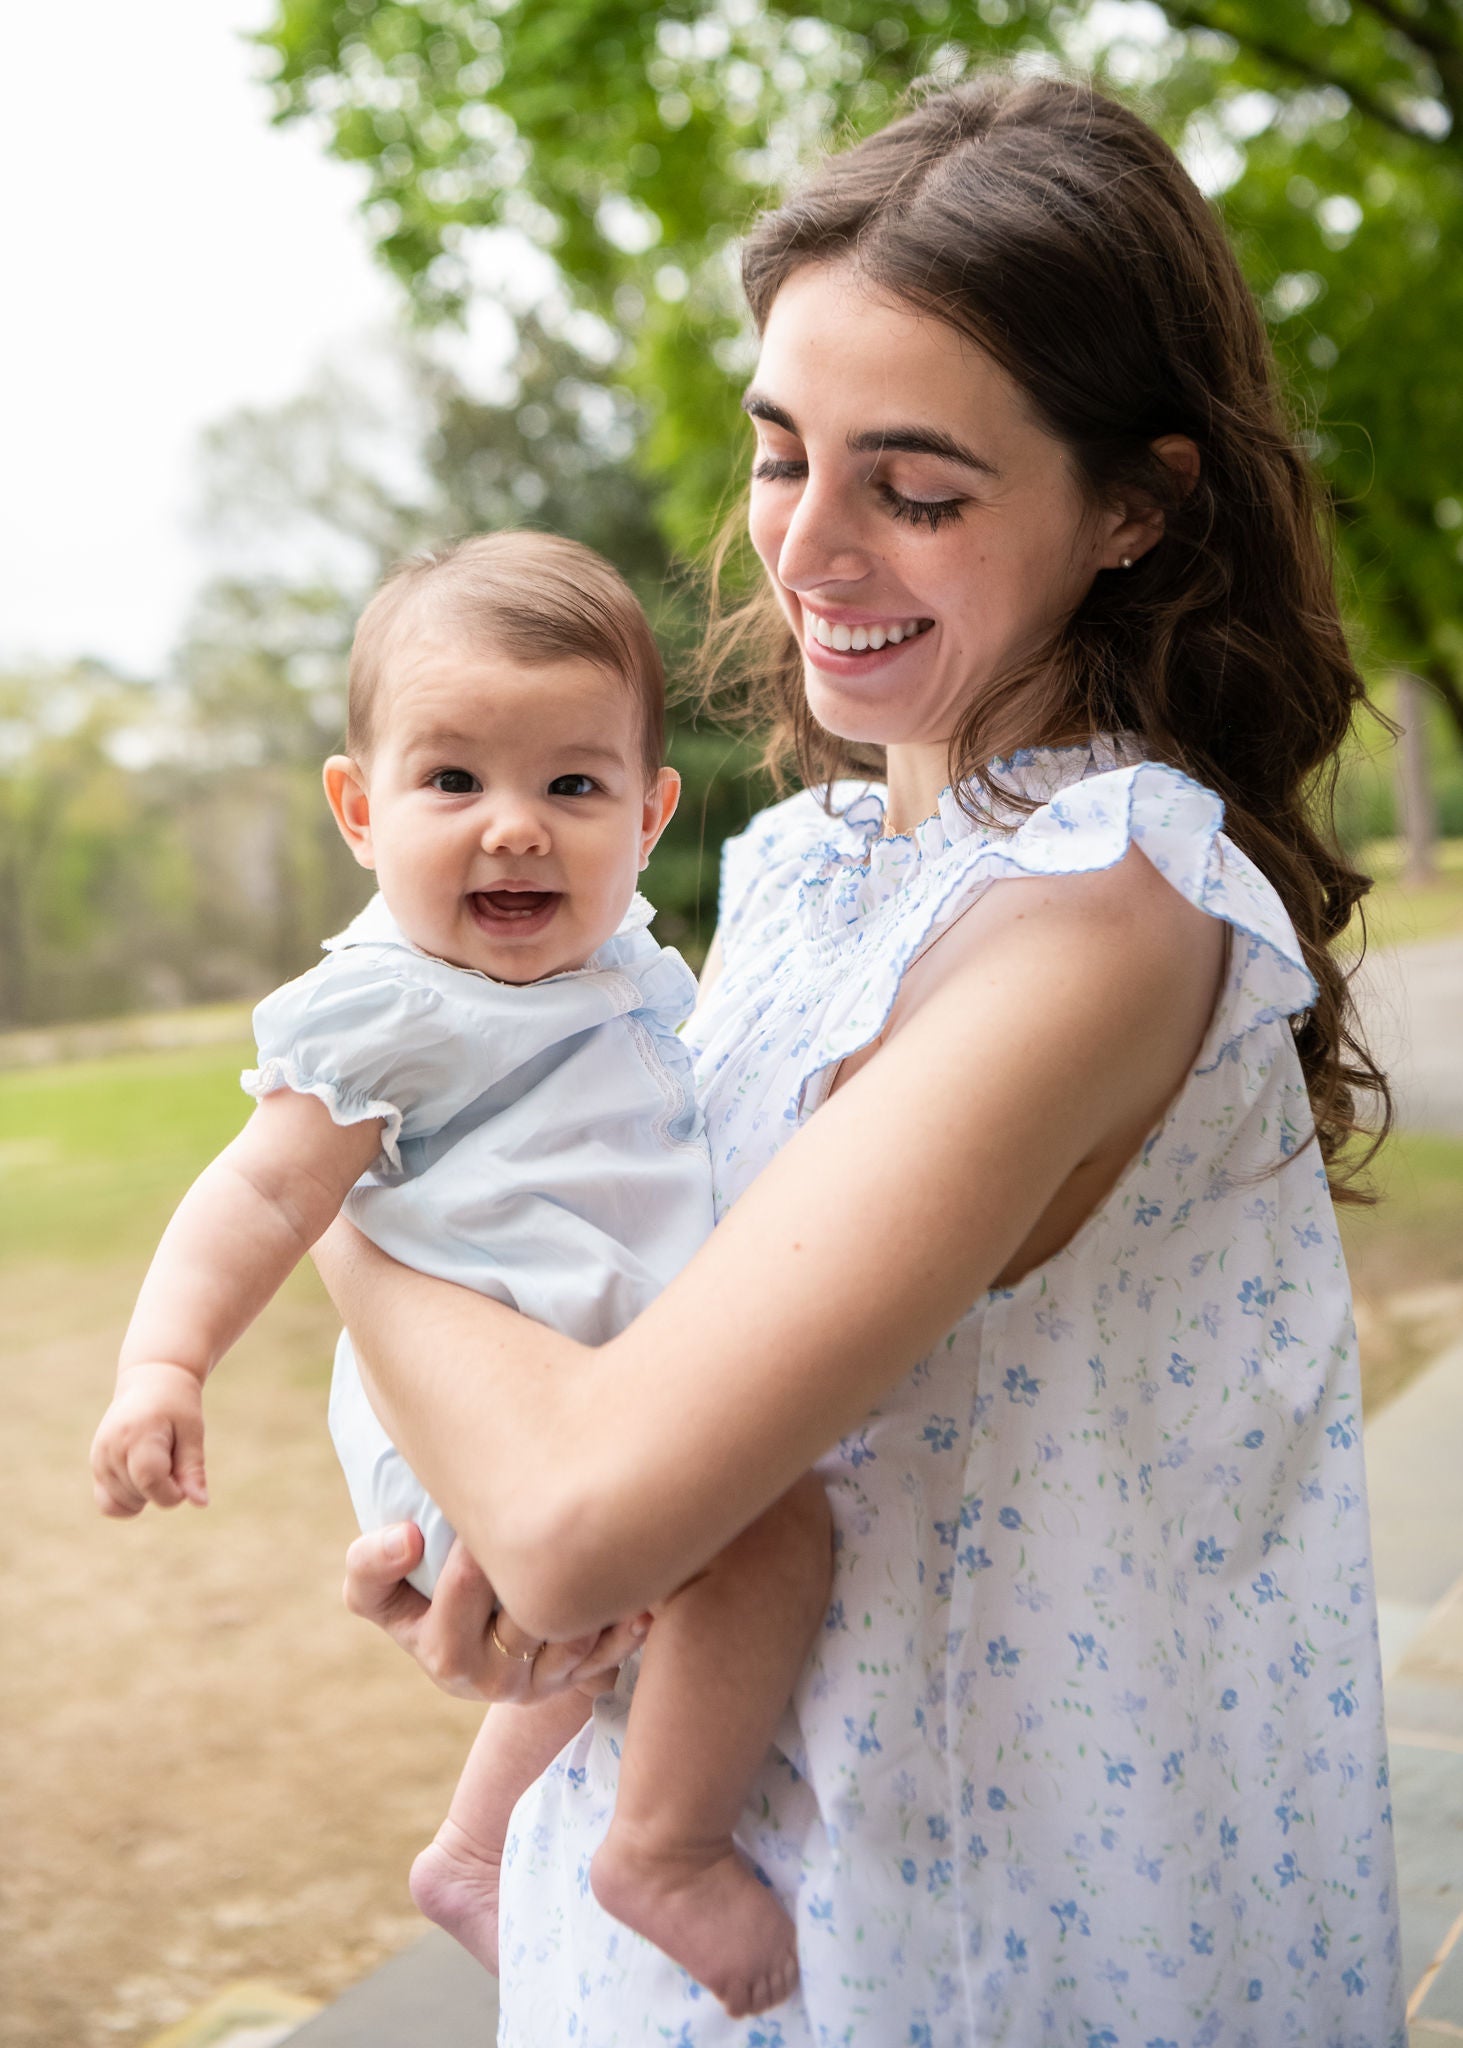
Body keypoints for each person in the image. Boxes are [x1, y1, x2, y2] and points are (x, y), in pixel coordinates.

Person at [319, 74, 1405, 2047]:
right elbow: (647, 1376)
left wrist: (327, 1146)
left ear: (1136, 509)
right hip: (739, 1847)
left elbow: (587, 1507)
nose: (810, 550)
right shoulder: (842, 862)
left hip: (938, 1927)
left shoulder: (1094, 917)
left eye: (915, 489)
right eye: (778, 455)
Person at [88, 531, 834, 2021]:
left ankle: (474, 1850)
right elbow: (256, 1191)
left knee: (650, 1608)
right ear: (359, 811)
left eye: (572, 785)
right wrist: (163, 1367)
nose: (516, 830)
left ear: (648, 809)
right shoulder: (392, 1009)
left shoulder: (627, 968)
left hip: (592, 1391)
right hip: (494, 1429)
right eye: (453, 782)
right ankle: (661, 1850)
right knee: (767, 1543)